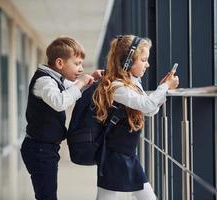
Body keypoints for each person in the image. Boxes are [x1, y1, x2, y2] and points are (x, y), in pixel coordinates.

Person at [92, 34, 179, 200]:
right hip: (114, 154)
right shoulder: (117, 87)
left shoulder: (132, 83)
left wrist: (163, 89)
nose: (148, 64)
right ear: (128, 61)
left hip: (126, 152)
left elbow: (149, 111)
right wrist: (165, 87)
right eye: (144, 60)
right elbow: (147, 105)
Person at [20, 36, 102, 200]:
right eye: (77, 63)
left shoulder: (57, 79)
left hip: (46, 148)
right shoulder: (44, 81)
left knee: (48, 194)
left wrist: (91, 78)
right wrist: (81, 82)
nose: (80, 68)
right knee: (47, 196)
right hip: (39, 149)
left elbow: (75, 92)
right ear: (59, 63)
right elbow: (60, 102)